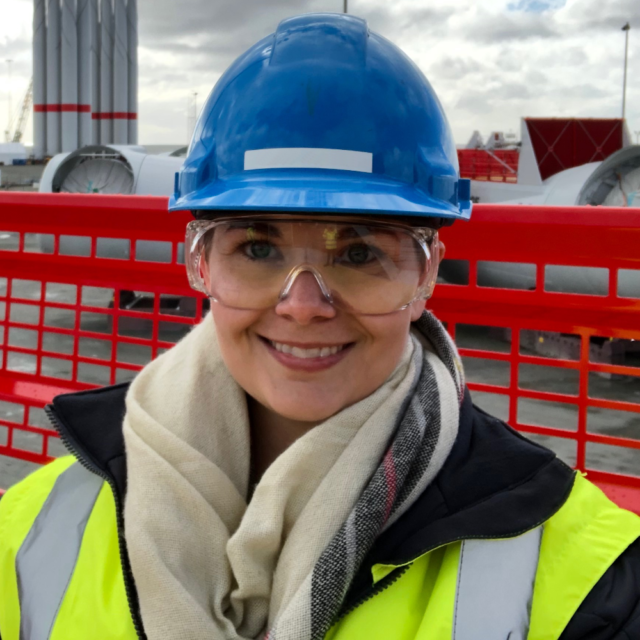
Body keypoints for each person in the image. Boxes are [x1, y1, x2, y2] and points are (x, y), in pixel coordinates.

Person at [1, 13, 639, 640]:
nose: (303, 305)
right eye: (257, 249)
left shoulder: (576, 573)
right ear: (200, 263)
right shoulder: (32, 532)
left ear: (425, 279)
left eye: (359, 253)